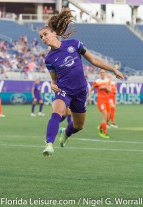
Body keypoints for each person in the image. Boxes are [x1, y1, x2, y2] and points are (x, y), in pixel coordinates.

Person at [39, 8, 123, 156]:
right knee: (57, 111)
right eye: (41, 37)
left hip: (81, 91)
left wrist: (112, 70)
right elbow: (54, 79)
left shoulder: (74, 44)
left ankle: (65, 133)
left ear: (54, 33)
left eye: (45, 34)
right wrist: (53, 84)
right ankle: (49, 144)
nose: (43, 38)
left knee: (78, 126)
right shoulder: (49, 59)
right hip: (64, 90)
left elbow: (93, 60)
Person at [88, 69, 111, 139]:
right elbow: (91, 89)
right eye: (101, 72)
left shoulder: (108, 81)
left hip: (107, 100)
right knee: (104, 117)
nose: (102, 73)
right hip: (101, 101)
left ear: (105, 73)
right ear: (99, 73)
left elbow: (109, 91)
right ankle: (104, 133)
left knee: (107, 119)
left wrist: (105, 87)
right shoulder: (97, 82)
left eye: (103, 72)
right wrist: (89, 97)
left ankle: (101, 127)